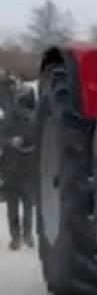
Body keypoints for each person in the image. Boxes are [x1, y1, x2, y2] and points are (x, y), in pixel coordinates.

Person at [1, 89, 36, 250]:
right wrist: (10, 142)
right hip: (11, 166)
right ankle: (16, 236)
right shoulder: (9, 120)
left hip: (27, 167)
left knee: (27, 204)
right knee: (13, 205)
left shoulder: (33, 119)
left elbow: (36, 140)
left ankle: (27, 234)